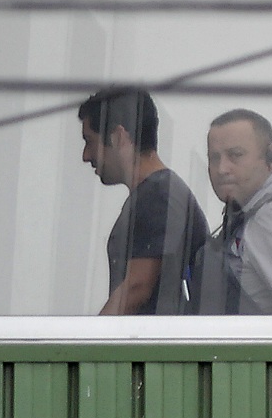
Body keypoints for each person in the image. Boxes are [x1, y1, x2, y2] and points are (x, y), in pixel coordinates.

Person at [78, 87, 209, 315]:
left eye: (90, 141)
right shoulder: (158, 193)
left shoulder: (159, 195)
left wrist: (90, 346)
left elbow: (136, 288)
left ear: (118, 137)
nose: (85, 155)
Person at [200, 109, 272, 315]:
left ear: (270, 157)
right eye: (214, 158)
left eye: (235, 155)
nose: (222, 168)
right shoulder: (250, 214)